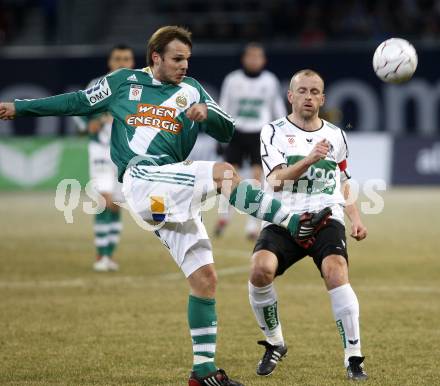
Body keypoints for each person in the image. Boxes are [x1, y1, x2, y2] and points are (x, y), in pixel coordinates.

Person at [0, 28, 331, 386]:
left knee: (205, 279)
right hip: (142, 178)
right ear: (155, 57)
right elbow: (76, 102)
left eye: (187, 59)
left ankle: (203, 372)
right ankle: (294, 220)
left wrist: (208, 114)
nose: (184, 65)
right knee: (223, 174)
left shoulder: (193, 91)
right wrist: (19, 108)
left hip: (168, 194)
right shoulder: (122, 83)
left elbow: (229, 130)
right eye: (177, 59)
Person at [248, 69, 368, 381]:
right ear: (290, 96)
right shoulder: (272, 132)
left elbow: (343, 180)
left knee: (336, 270)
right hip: (285, 217)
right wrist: (309, 160)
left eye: (315, 92)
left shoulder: (337, 136)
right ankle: (275, 342)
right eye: (302, 91)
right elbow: (274, 179)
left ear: (323, 99)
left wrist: (355, 219)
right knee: (260, 269)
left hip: (325, 217)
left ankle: (354, 357)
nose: (309, 97)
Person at [214, 43, 287, 240]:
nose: (254, 60)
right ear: (244, 59)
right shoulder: (232, 79)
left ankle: (253, 224)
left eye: (258, 57)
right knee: (229, 176)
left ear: (263, 60)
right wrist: (221, 134)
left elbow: (277, 108)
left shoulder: (270, 81)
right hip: (236, 132)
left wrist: (281, 133)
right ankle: (224, 217)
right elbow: (224, 105)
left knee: (256, 177)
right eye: (250, 56)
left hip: (259, 133)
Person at [73, 44, 135, 272]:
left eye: (126, 59)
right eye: (117, 58)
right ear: (110, 62)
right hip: (100, 151)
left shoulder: (137, 86)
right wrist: (88, 124)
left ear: (132, 63)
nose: (121, 63)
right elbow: (78, 110)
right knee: (104, 200)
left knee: (117, 204)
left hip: (124, 154)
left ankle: (110, 254)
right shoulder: (97, 85)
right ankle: (101, 255)